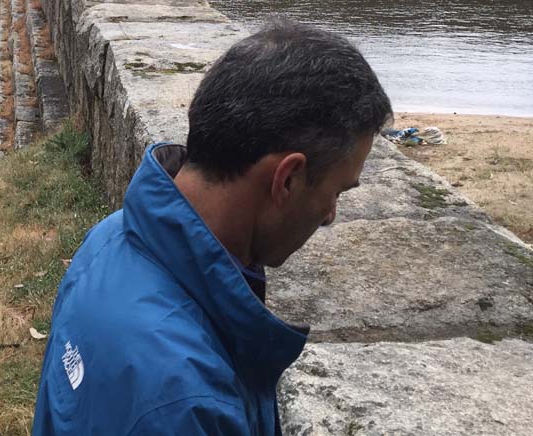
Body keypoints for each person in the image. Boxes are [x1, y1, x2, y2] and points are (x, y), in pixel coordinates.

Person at [33, 22, 391, 435]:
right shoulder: (187, 402)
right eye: (337, 192)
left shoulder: (112, 238)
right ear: (287, 179)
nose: (330, 214)